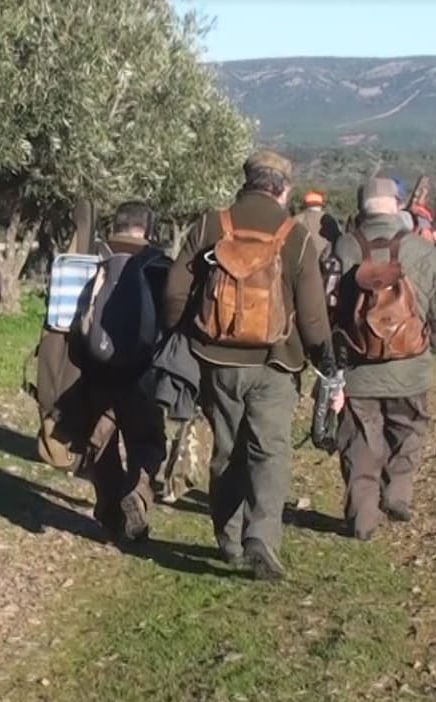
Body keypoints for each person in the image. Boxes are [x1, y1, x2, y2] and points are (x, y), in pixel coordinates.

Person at [164, 149, 337, 581]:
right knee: (270, 451)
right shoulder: (295, 237)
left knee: (227, 451)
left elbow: (173, 292)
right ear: (283, 189)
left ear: (246, 183)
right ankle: (262, 537)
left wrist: (182, 333)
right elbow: (314, 318)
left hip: (216, 361)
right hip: (276, 364)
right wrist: (326, 364)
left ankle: (229, 539)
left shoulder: (211, 224)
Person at [329, 177, 436, 540]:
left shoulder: (343, 247)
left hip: (358, 370)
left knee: (360, 443)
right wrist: (429, 347)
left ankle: (362, 519)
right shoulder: (421, 250)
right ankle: (398, 493)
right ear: (397, 205)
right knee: (408, 431)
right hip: (411, 368)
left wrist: (333, 356)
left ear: (361, 207)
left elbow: (326, 307)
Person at [57, 201, 170, 543]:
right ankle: (137, 492)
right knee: (146, 441)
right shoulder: (161, 266)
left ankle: (109, 515)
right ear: (148, 229)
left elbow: (65, 322)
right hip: (141, 374)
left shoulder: (89, 263)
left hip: (95, 372)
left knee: (100, 444)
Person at [292, 190, 342, 261]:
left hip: (301, 263)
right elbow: (339, 242)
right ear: (321, 204)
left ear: (305, 204)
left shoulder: (296, 219)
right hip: (325, 265)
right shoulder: (330, 219)